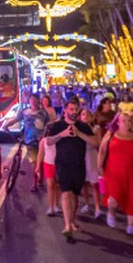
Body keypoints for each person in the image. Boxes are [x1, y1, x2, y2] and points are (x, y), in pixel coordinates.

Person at [41, 99, 99, 241]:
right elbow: (48, 141)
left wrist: (79, 134)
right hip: (62, 165)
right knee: (66, 193)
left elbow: (95, 142)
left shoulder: (83, 126)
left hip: (79, 165)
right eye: (71, 109)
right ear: (65, 110)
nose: (74, 112)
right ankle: (67, 226)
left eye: (76, 109)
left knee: (74, 196)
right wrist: (63, 134)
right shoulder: (57, 125)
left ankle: (71, 220)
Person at [97, 111, 133, 235]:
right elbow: (102, 150)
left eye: (129, 120)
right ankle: (111, 213)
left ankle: (130, 225)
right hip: (114, 173)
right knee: (114, 197)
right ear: (118, 123)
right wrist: (99, 166)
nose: (126, 123)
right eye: (123, 120)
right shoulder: (111, 135)